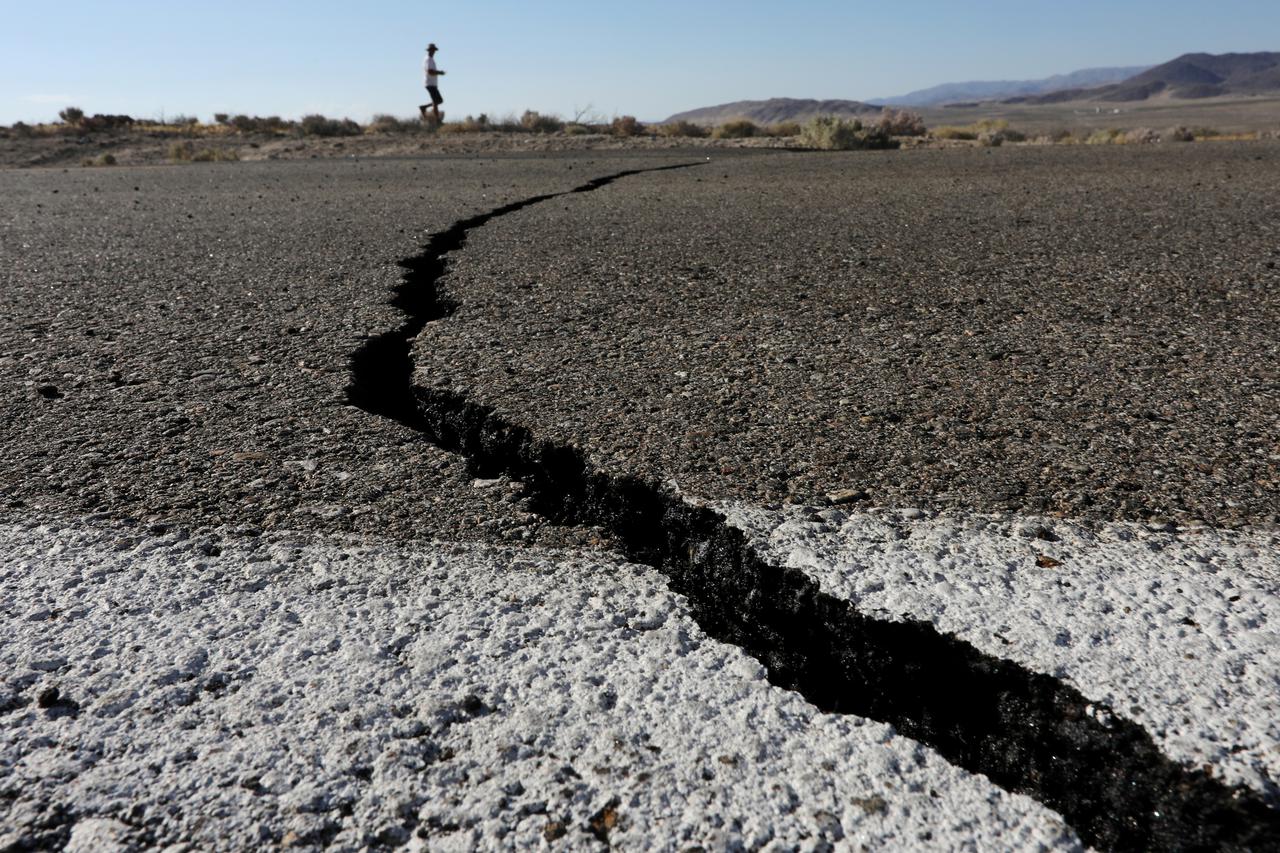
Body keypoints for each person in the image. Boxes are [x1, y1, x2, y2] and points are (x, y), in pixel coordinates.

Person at [419, 43, 446, 123]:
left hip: (432, 83)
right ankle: (437, 120)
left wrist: (438, 73)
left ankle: (424, 107)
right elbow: (430, 71)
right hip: (429, 83)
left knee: (439, 100)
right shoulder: (428, 59)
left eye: (434, 50)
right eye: (432, 50)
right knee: (435, 101)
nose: (433, 51)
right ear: (429, 50)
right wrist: (439, 72)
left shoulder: (431, 59)